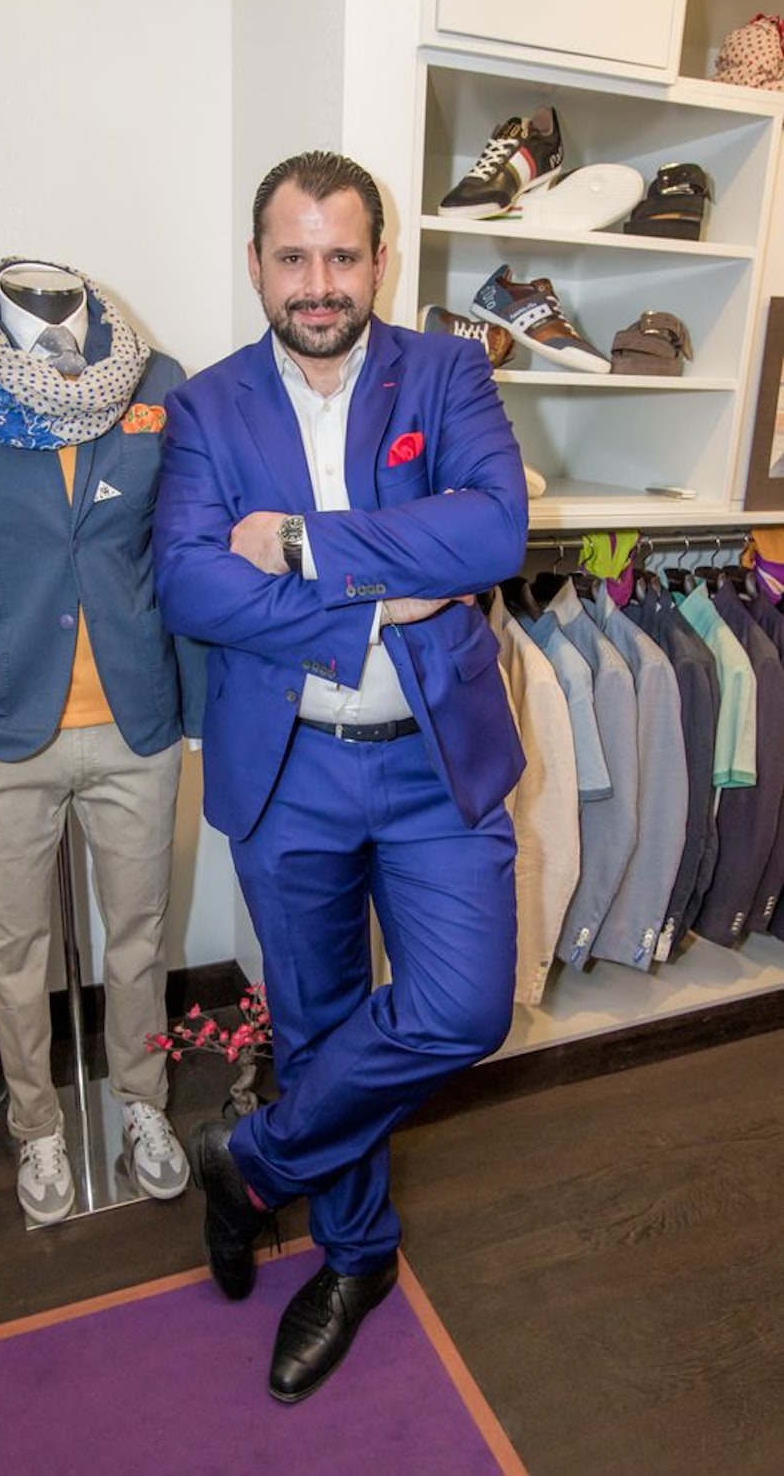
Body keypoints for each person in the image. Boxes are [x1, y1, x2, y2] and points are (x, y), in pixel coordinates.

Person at [152, 152, 528, 1402]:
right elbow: (192, 584)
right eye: (293, 256)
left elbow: (492, 529)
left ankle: (254, 1161)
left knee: (463, 1008)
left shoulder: (448, 372)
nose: (319, 282)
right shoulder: (205, 407)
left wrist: (304, 543)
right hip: (289, 771)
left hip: (434, 761)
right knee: (317, 1028)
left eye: (343, 255)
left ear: (381, 260)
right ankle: (357, 1255)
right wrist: (380, 597)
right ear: (256, 264)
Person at [0, 259, 205, 1225]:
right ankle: (38, 1123)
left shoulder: (155, 380)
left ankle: (141, 1101)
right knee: (16, 952)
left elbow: (180, 552)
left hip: (135, 721)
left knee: (138, 934)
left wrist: (193, 708)